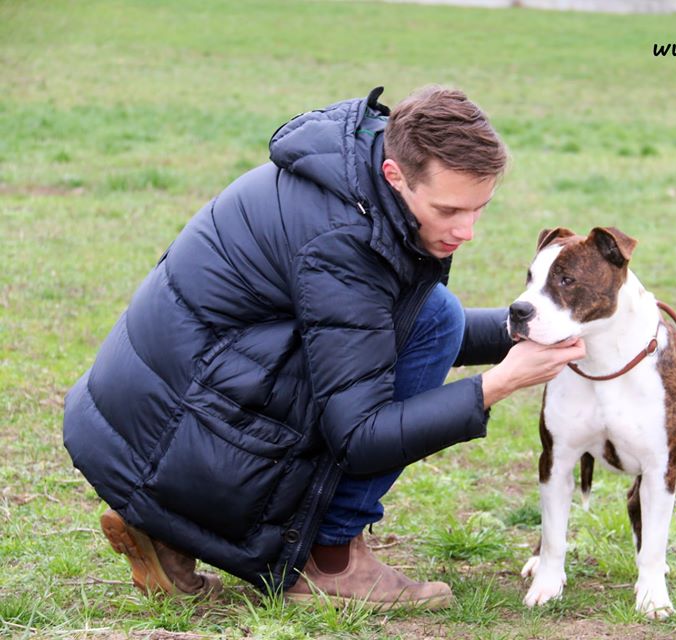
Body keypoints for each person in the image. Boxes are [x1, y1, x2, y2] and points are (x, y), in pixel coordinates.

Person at [63, 86, 586, 609]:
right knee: (434, 319)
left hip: (156, 421)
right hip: (173, 432)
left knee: (435, 317)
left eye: (478, 208)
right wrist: (499, 383)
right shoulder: (343, 241)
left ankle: (168, 527)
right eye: (448, 209)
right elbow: (360, 435)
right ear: (396, 175)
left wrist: (530, 330)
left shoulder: (352, 180)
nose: (466, 230)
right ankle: (329, 558)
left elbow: (376, 330)